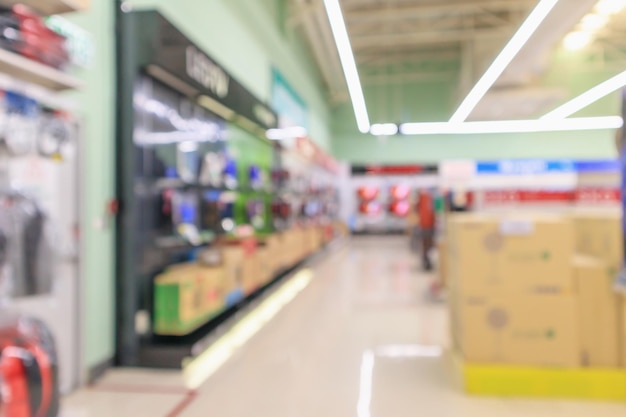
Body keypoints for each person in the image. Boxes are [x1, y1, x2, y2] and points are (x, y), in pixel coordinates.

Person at [416, 189, 436, 271]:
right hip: (427, 226)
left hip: (427, 225)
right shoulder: (427, 198)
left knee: (426, 244)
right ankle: (426, 260)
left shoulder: (427, 198)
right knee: (427, 244)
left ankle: (426, 260)